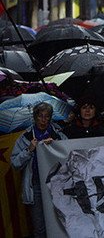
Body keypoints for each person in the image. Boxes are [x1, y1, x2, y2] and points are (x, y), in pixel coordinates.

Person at [11, 102, 67, 237]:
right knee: (39, 226)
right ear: (35, 117)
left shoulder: (58, 134)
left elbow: (69, 155)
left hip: (56, 184)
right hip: (35, 185)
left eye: (47, 117)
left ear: (50, 118)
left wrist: (56, 145)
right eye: (40, 116)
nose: (43, 120)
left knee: (60, 222)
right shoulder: (26, 137)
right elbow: (15, 163)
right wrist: (29, 150)